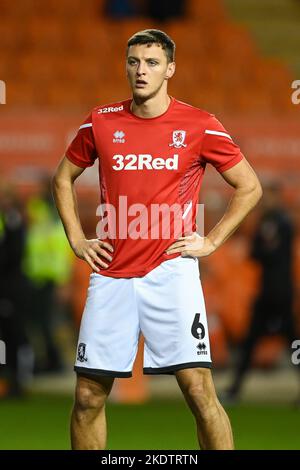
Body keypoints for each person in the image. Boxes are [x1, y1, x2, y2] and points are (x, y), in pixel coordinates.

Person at [52, 29, 262, 450]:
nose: (140, 70)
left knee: (199, 391)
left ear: (170, 69)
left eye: (151, 62)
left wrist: (212, 240)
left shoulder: (199, 124)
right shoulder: (102, 120)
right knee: (87, 397)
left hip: (171, 274)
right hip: (110, 274)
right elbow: (62, 178)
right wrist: (77, 238)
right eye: (133, 62)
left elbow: (250, 186)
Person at [224, 180, 298, 402]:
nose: (266, 202)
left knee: (293, 342)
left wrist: (266, 250)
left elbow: (272, 253)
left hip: (282, 293)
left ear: (278, 197)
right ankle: (235, 389)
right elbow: (256, 252)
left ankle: (235, 389)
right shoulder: (265, 222)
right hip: (266, 292)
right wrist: (266, 249)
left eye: (270, 197)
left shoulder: (284, 223)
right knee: (251, 342)